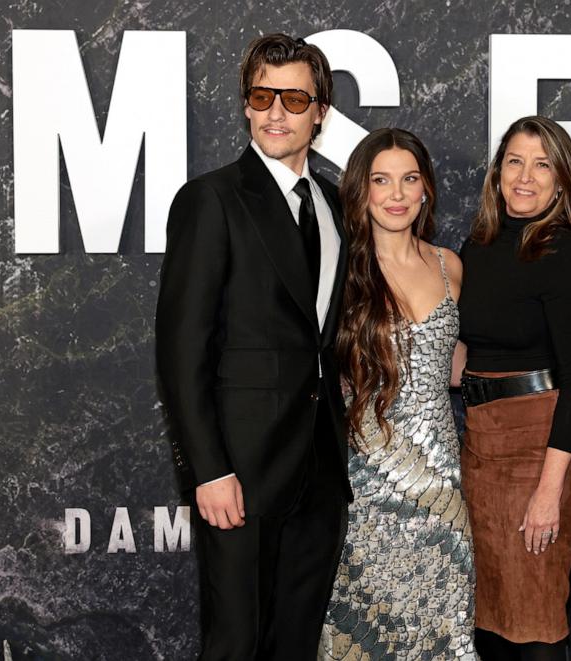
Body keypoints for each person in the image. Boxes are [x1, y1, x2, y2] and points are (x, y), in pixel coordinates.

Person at [155, 34, 350, 659]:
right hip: (240, 471)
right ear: (245, 104)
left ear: (320, 111)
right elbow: (182, 352)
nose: (275, 112)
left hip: (318, 472)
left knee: (294, 645)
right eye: (262, 95)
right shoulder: (211, 199)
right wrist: (208, 469)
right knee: (235, 645)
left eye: (294, 99)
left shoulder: (333, 203)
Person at [317, 127, 475, 659]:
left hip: (441, 489)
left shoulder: (450, 266)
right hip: (366, 487)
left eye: (409, 179)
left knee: (442, 629)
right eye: (381, 180)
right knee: (364, 632)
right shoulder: (339, 270)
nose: (397, 194)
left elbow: (450, 362)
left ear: (426, 188)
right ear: (361, 191)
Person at [458, 116, 571, 660]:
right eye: (515, 161)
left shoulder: (560, 251)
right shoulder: (479, 245)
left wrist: (550, 492)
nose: (526, 177)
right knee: (490, 617)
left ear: (562, 182)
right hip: (479, 442)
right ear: (497, 173)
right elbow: (468, 351)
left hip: (539, 443)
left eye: (543, 165)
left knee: (534, 616)